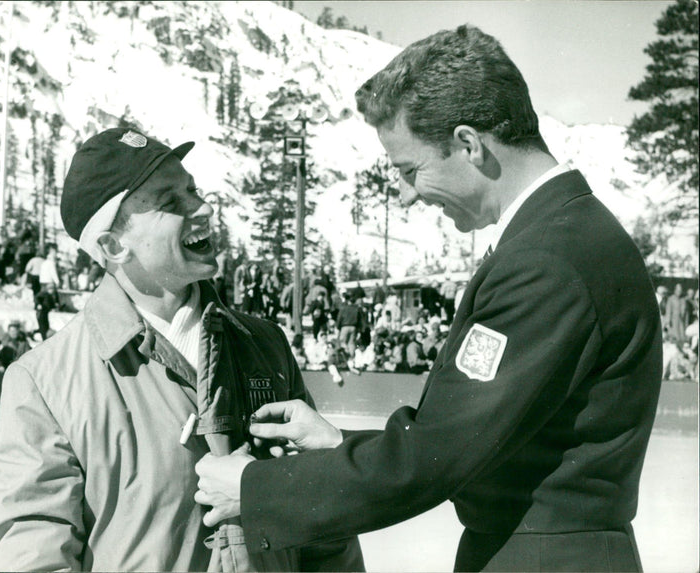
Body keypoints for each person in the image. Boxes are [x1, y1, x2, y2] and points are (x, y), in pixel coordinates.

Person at [195, 25, 662, 573]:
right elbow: (471, 437)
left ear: (469, 144)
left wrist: (259, 489)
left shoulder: (546, 261)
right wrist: (336, 442)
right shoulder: (561, 235)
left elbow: (436, 456)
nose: (407, 195)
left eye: (410, 170)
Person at [0, 127, 363, 572]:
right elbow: (33, 553)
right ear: (113, 245)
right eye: (171, 202)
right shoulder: (45, 380)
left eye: (193, 190)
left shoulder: (266, 344)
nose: (203, 208)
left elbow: (324, 526)